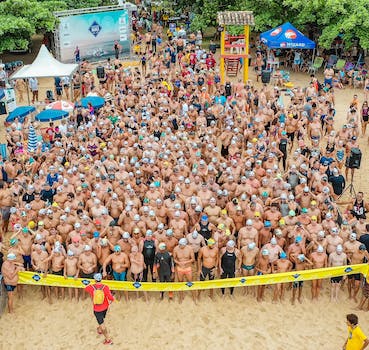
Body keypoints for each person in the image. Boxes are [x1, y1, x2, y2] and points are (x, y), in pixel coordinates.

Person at [85, 273, 114, 345]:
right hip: (105, 307)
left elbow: (86, 289)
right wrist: (109, 302)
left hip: (97, 309)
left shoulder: (91, 287)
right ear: (101, 279)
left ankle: (108, 339)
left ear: (95, 279)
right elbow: (111, 298)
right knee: (102, 319)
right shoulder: (105, 287)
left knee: (102, 323)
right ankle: (100, 328)